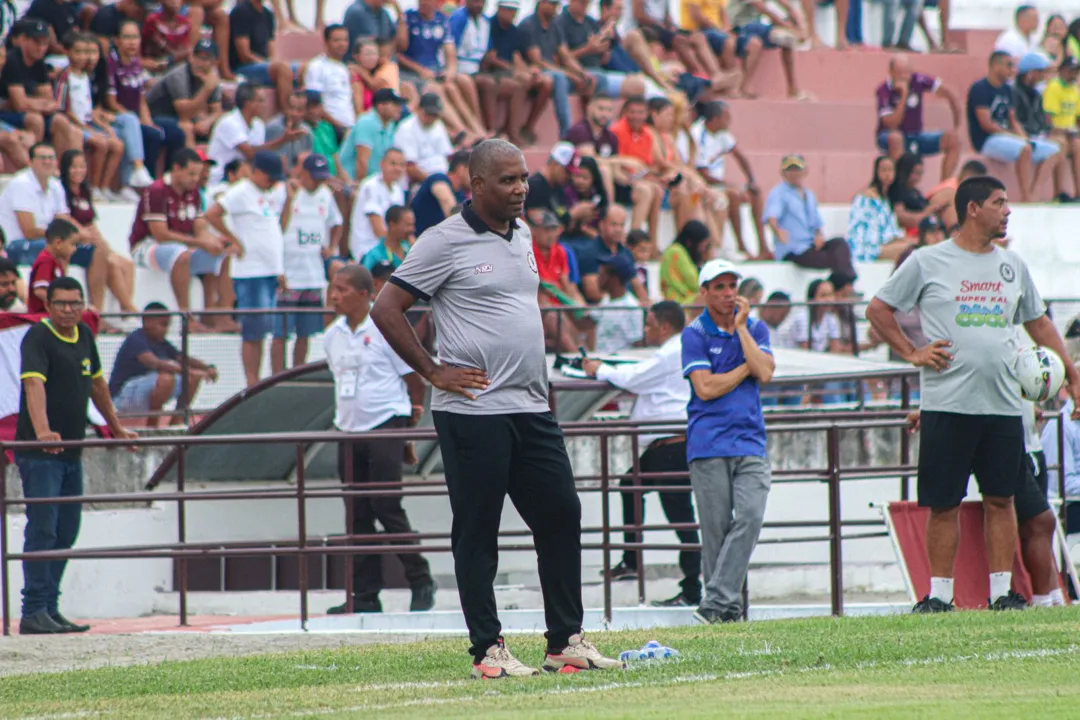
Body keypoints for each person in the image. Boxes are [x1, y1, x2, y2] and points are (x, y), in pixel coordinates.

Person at [371, 139, 622, 678]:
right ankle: (488, 650)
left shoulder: (524, 233)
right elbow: (386, 307)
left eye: (524, 178)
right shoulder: (442, 241)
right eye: (508, 180)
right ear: (477, 185)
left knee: (561, 514)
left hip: (532, 407)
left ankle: (565, 643)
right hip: (472, 411)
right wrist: (433, 371)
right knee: (478, 530)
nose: (521, 188)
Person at [865, 175, 1080, 612]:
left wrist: (1071, 373)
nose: (1007, 211)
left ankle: (1002, 593)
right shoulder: (928, 261)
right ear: (972, 209)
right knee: (943, 502)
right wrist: (912, 352)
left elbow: (1038, 323)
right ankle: (939, 597)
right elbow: (878, 309)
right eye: (999, 202)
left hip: (1002, 404)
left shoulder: (1012, 265)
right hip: (947, 403)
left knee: (1001, 499)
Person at [15, 276, 137, 634]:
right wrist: (41, 433)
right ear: (48, 306)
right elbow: (33, 383)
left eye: (75, 303)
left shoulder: (84, 335)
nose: (68, 310)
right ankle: (33, 609)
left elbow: (97, 384)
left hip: (72, 452)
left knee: (66, 530)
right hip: (40, 455)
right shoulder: (38, 337)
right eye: (61, 304)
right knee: (43, 529)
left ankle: (49, 608)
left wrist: (115, 426)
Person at [323, 264, 437, 615]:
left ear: (364, 293)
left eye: (342, 289)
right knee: (356, 512)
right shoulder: (332, 335)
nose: (334, 296)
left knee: (386, 504)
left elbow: (413, 376)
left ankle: (420, 579)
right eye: (333, 288)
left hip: (386, 421)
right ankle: (365, 594)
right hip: (349, 428)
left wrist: (411, 418)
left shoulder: (385, 327)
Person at [582, 300, 701, 608]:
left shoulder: (671, 351)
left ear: (664, 326)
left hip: (671, 445)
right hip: (663, 445)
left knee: (682, 519)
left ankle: (692, 590)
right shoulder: (673, 350)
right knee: (629, 487)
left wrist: (600, 369)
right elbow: (640, 374)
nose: (645, 330)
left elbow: (635, 378)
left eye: (649, 324)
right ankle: (632, 560)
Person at [682, 258, 774, 624]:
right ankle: (729, 612)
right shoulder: (694, 333)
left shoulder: (755, 327)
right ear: (704, 292)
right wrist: (744, 368)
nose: (727, 293)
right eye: (718, 287)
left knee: (750, 516)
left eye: (731, 285)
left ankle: (716, 602)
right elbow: (705, 388)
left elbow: (764, 372)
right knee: (716, 530)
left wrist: (741, 331)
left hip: (750, 441)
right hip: (708, 443)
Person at [205, 151, 287, 387]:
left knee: (263, 329)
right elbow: (212, 213)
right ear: (258, 172)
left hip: (268, 271)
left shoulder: (266, 193)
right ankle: (252, 381)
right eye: (270, 177)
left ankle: (257, 379)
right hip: (251, 272)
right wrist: (233, 240)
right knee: (253, 330)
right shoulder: (241, 192)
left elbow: (270, 231)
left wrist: (279, 269)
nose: (273, 183)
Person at [128, 148, 231, 332]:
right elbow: (161, 234)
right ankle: (187, 318)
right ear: (176, 168)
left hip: (181, 245)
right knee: (181, 254)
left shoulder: (194, 192)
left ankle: (214, 315)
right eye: (191, 173)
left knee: (222, 255)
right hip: (147, 246)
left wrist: (213, 241)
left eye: (197, 174)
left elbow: (200, 227)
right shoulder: (156, 190)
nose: (195, 178)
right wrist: (201, 243)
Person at [271, 154, 344, 376]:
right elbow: (275, 228)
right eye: (315, 177)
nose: (319, 182)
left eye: (322, 178)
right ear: (303, 174)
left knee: (305, 332)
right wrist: (278, 268)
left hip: (313, 275)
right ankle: (277, 376)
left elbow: (337, 223)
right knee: (281, 332)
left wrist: (331, 247)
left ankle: (297, 373)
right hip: (289, 273)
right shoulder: (284, 192)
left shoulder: (325, 194)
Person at [967, 51, 1059, 203]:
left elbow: (1012, 119)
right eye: (1009, 65)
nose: (1013, 70)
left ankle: (1034, 190)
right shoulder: (980, 88)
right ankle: (1026, 197)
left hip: (1007, 137)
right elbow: (986, 124)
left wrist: (1023, 137)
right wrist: (1015, 138)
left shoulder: (1006, 89)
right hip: (986, 140)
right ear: (995, 66)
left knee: (1054, 151)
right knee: (1025, 149)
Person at [109, 302, 218, 427]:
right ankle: (152, 425)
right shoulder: (136, 339)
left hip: (144, 392)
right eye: (163, 325)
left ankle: (176, 422)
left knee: (192, 378)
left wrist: (206, 367)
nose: (165, 330)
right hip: (123, 397)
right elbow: (154, 362)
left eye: (167, 326)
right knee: (166, 378)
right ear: (147, 322)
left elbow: (182, 358)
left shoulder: (161, 343)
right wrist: (188, 371)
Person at [59, 149, 137, 315]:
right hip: (76, 243)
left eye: (82, 166)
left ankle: (125, 311)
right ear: (66, 168)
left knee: (127, 264)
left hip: (92, 241)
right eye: (74, 167)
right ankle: (128, 308)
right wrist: (86, 236)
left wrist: (104, 244)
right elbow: (66, 220)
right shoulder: (61, 192)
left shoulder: (85, 191)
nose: (79, 171)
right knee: (112, 264)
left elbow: (91, 223)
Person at [55, 32, 125, 202]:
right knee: (101, 143)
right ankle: (91, 187)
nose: (82, 57)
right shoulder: (65, 77)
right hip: (75, 125)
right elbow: (64, 108)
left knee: (117, 145)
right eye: (77, 52)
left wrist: (105, 128)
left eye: (85, 52)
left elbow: (89, 109)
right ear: (69, 53)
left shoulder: (86, 77)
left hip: (88, 124)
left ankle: (103, 187)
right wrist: (86, 128)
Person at [763, 154, 857, 279]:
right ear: (782, 172)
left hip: (810, 245)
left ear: (805, 171)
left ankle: (845, 283)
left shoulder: (809, 194)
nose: (794, 173)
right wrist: (777, 231)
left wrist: (819, 236)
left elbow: (816, 223)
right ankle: (844, 284)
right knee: (830, 258)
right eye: (790, 170)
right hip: (793, 249)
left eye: (797, 169)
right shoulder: (778, 193)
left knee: (840, 244)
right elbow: (772, 216)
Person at [875, 54, 961, 182]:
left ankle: (943, 186)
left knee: (953, 140)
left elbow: (950, 94)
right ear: (891, 72)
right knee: (896, 138)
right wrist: (904, 95)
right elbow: (891, 123)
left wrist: (957, 126)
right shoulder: (884, 91)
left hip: (916, 134)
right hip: (890, 136)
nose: (904, 77)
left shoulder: (919, 80)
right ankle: (899, 188)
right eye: (899, 73)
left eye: (907, 72)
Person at [145, 38, 224, 154]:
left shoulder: (212, 75)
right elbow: (185, 114)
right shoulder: (179, 75)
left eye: (206, 59)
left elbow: (217, 110)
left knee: (217, 122)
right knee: (187, 127)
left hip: (179, 116)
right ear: (192, 56)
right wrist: (207, 89)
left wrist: (207, 122)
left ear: (214, 62)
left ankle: (212, 163)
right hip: (156, 115)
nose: (200, 63)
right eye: (198, 57)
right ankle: (192, 165)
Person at [228, 0, 295, 112]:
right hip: (243, 67)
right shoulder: (241, 11)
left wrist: (270, 63)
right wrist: (267, 64)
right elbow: (244, 54)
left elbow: (271, 50)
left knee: (303, 69)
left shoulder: (268, 14)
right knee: (282, 69)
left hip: (263, 65)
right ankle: (287, 116)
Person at [848, 155, 907, 263]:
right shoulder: (866, 199)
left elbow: (891, 231)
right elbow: (871, 235)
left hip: (885, 244)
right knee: (911, 250)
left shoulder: (886, 200)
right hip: (868, 249)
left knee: (916, 245)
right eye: (883, 170)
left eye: (891, 170)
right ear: (876, 172)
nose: (887, 174)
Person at [351, 148, 407, 260]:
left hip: (388, 248)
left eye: (401, 165)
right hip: (367, 250)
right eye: (393, 164)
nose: (397, 168)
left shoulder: (398, 190)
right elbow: (379, 231)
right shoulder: (370, 186)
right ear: (382, 164)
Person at [340, 87, 405, 182]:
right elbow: (362, 162)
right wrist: (362, 189)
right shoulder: (367, 122)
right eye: (395, 104)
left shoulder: (390, 125)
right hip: (351, 182)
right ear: (380, 106)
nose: (400, 108)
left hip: (375, 183)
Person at [304, 25, 355, 134]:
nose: (342, 44)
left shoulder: (344, 68)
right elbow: (314, 105)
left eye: (345, 40)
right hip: (329, 129)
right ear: (326, 42)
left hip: (349, 127)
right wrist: (339, 127)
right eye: (336, 40)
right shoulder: (316, 66)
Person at [1043, 56, 1080, 201]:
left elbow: (1077, 118)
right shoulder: (1054, 87)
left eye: (1075, 72)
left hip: (1069, 133)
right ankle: (1059, 192)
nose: (1073, 75)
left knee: (1078, 145)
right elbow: (1048, 120)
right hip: (1053, 133)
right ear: (1062, 71)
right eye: (1070, 71)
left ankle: (1078, 193)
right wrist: (1065, 130)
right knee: (1061, 144)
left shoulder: (1075, 90)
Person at [410, 149, 471, 237]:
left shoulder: (461, 194)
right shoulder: (438, 179)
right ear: (461, 169)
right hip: (419, 241)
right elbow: (453, 214)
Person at [591, 254, 643, 354]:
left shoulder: (631, 307)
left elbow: (637, 343)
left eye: (602, 275)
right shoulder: (606, 300)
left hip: (618, 364)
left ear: (614, 279)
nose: (598, 279)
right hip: (601, 361)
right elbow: (586, 321)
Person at [26, 219, 79, 315]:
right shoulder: (46, 261)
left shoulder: (55, 262)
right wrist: (60, 304)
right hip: (41, 316)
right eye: (72, 244)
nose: (75, 249)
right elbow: (39, 291)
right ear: (58, 243)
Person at [661, 219, 710, 305]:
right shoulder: (676, 252)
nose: (703, 249)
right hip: (679, 300)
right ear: (691, 242)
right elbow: (694, 282)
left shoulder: (685, 253)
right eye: (701, 245)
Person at [264, 91, 314, 172]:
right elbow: (272, 160)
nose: (294, 113)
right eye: (291, 108)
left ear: (305, 112)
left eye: (299, 110)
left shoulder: (307, 132)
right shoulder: (273, 127)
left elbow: (307, 160)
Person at [361, 205, 413, 270]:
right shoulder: (374, 256)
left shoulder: (411, 251)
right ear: (392, 225)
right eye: (408, 225)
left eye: (412, 225)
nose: (412, 229)